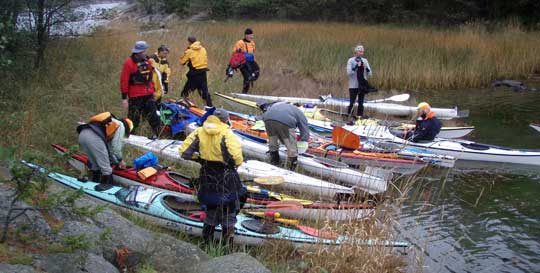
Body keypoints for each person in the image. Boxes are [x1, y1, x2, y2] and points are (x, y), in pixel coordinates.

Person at [179, 108, 244, 247]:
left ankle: (205, 244)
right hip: (227, 175)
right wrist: (234, 164)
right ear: (226, 120)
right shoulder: (227, 133)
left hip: (207, 174)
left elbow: (184, 152)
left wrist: (200, 159)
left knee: (211, 207)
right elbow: (236, 157)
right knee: (229, 209)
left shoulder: (199, 131)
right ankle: (227, 246)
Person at [77, 112, 133, 190]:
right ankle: (108, 188)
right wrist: (120, 160)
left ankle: (94, 184)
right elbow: (115, 147)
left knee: (95, 165)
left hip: (82, 134)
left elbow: (110, 149)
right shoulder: (121, 126)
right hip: (94, 137)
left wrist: (116, 162)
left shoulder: (110, 124)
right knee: (106, 169)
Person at [120, 40, 161, 139]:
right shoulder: (129, 63)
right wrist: (124, 98)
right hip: (135, 96)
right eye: (144, 51)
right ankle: (130, 136)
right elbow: (124, 81)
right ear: (138, 52)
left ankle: (157, 135)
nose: (146, 52)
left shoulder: (148, 61)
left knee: (154, 116)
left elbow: (150, 78)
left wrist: (154, 91)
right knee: (134, 118)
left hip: (148, 94)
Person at [258, 102, 310, 170]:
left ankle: (274, 163)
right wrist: (304, 140)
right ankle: (292, 167)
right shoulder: (300, 113)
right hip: (286, 121)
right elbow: (304, 129)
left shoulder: (282, 106)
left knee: (273, 142)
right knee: (292, 147)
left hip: (267, 118)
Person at [179, 36, 212, 107]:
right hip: (203, 73)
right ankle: (210, 107)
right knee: (204, 93)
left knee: (185, 92)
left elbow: (182, 62)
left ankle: (182, 106)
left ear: (189, 42)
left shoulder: (189, 51)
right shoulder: (203, 49)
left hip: (194, 74)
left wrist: (186, 52)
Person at [346, 44, 372, 118]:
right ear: (356, 52)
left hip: (362, 86)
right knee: (352, 102)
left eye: (362, 52)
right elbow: (349, 73)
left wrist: (366, 68)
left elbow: (370, 74)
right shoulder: (350, 60)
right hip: (353, 85)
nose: (361, 53)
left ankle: (359, 117)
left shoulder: (365, 61)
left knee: (361, 103)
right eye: (359, 51)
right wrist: (356, 66)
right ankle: (350, 116)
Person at [233, 28, 256, 94]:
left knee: (252, 76)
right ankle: (244, 93)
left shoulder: (253, 43)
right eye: (250, 35)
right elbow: (235, 53)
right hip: (242, 63)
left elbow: (253, 54)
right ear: (246, 35)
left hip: (250, 63)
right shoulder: (240, 43)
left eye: (252, 35)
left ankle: (245, 93)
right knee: (247, 78)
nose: (252, 37)